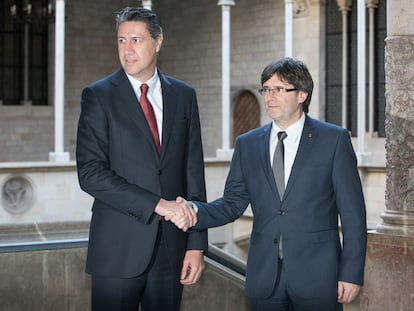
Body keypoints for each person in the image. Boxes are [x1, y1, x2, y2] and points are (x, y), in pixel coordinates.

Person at [173, 57, 367, 310]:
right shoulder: (247, 143)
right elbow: (232, 205)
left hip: (318, 277)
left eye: (279, 89)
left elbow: (353, 215)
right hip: (264, 279)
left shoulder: (333, 140)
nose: (269, 97)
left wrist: (351, 273)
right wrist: (193, 211)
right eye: (266, 89)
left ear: (302, 95)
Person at [76, 6, 206, 311]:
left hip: (171, 250)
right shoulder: (98, 96)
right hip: (117, 250)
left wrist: (197, 245)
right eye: (121, 41)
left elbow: (193, 174)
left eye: (136, 40)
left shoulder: (184, 96)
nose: (127, 49)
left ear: (158, 41)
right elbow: (91, 174)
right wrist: (157, 204)